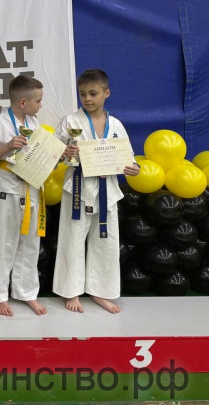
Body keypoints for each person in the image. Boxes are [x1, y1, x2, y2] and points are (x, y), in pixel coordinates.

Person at [53, 69, 140, 314]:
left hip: (107, 190)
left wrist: (134, 168)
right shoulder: (70, 121)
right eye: (82, 94)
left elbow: (129, 156)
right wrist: (64, 152)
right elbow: (52, 153)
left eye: (93, 93)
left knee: (106, 242)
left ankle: (100, 292)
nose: (87, 99)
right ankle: (71, 291)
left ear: (106, 93)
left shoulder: (116, 125)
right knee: (72, 239)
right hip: (77, 188)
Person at [0, 75, 47, 317]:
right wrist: (7, 146)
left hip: (31, 186)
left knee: (30, 243)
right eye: (38, 101)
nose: (40, 106)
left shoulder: (34, 123)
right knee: (2, 242)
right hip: (7, 187)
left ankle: (27, 293)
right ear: (23, 102)